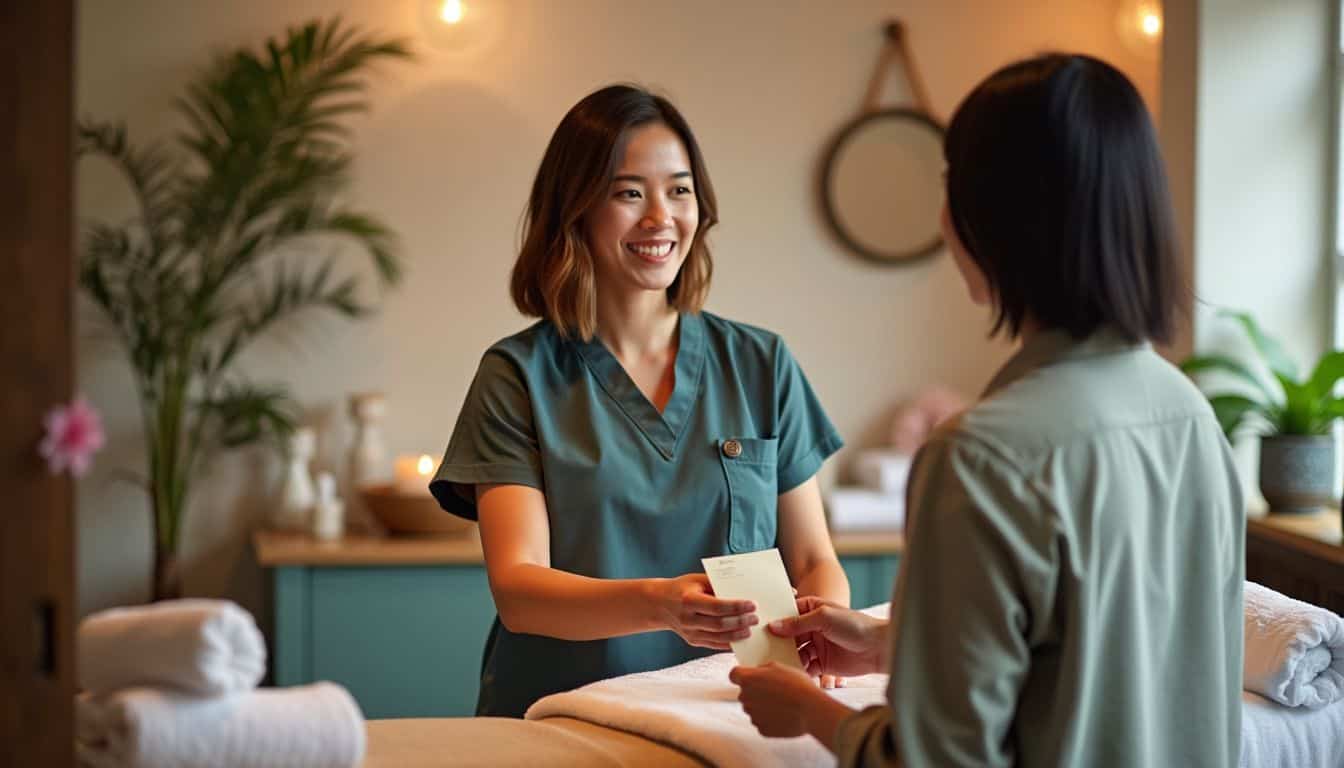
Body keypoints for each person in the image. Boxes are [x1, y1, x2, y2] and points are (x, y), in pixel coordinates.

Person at [730, 53, 1245, 767]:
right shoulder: (1189, 415)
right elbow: (1104, 657)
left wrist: (812, 713)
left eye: (951, 184)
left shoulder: (980, 458)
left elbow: (938, 758)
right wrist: (892, 646)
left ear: (990, 216)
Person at [430, 84, 850, 718]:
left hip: (731, 716)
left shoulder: (762, 364)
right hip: (559, 719)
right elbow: (519, 589)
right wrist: (660, 604)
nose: (660, 218)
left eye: (679, 190)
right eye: (630, 192)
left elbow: (815, 559)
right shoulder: (517, 375)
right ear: (575, 208)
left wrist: (826, 627)